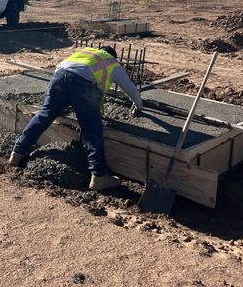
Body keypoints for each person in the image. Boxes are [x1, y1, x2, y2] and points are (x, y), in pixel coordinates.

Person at [9, 46, 143, 191]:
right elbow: (129, 87)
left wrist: (67, 100)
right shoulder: (112, 62)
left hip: (59, 77)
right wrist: (139, 104)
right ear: (113, 56)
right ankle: (98, 176)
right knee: (92, 129)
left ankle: (17, 154)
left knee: (44, 115)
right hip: (81, 84)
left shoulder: (85, 53)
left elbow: (68, 72)